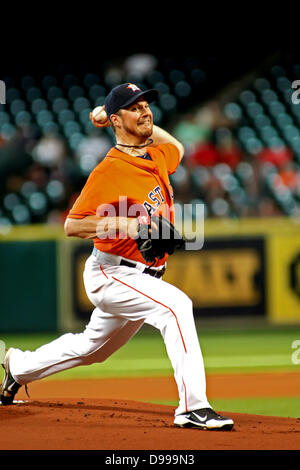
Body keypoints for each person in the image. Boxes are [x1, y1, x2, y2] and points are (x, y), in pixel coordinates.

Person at [0, 82, 234, 431]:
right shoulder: (109, 171)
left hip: (143, 275)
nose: (145, 112)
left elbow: (178, 147)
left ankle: (17, 366)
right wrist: (128, 224)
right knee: (177, 307)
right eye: (135, 108)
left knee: (93, 349)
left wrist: (115, 117)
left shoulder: (154, 155)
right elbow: (72, 226)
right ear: (116, 120)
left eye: (146, 106)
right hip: (112, 274)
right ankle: (192, 408)